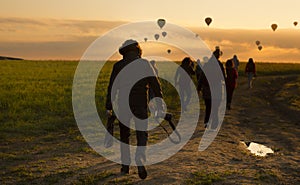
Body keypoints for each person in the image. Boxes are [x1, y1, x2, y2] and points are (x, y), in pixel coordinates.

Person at [105, 39, 163, 179]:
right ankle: (139, 158)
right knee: (142, 134)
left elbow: (112, 87)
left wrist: (109, 106)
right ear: (138, 50)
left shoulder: (118, 65)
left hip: (123, 104)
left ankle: (125, 166)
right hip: (140, 104)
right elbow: (155, 84)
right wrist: (160, 104)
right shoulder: (144, 64)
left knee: (124, 135)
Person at [198, 48, 225, 128]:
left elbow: (201, 77)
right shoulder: (220, 65)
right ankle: (214, 123)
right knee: (215, 107)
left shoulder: (206, 65)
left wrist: (199, 87)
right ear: (219, 56)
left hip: (207, 89)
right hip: (217, 88)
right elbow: (224, 77)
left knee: (208, 106)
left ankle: (206, 122)